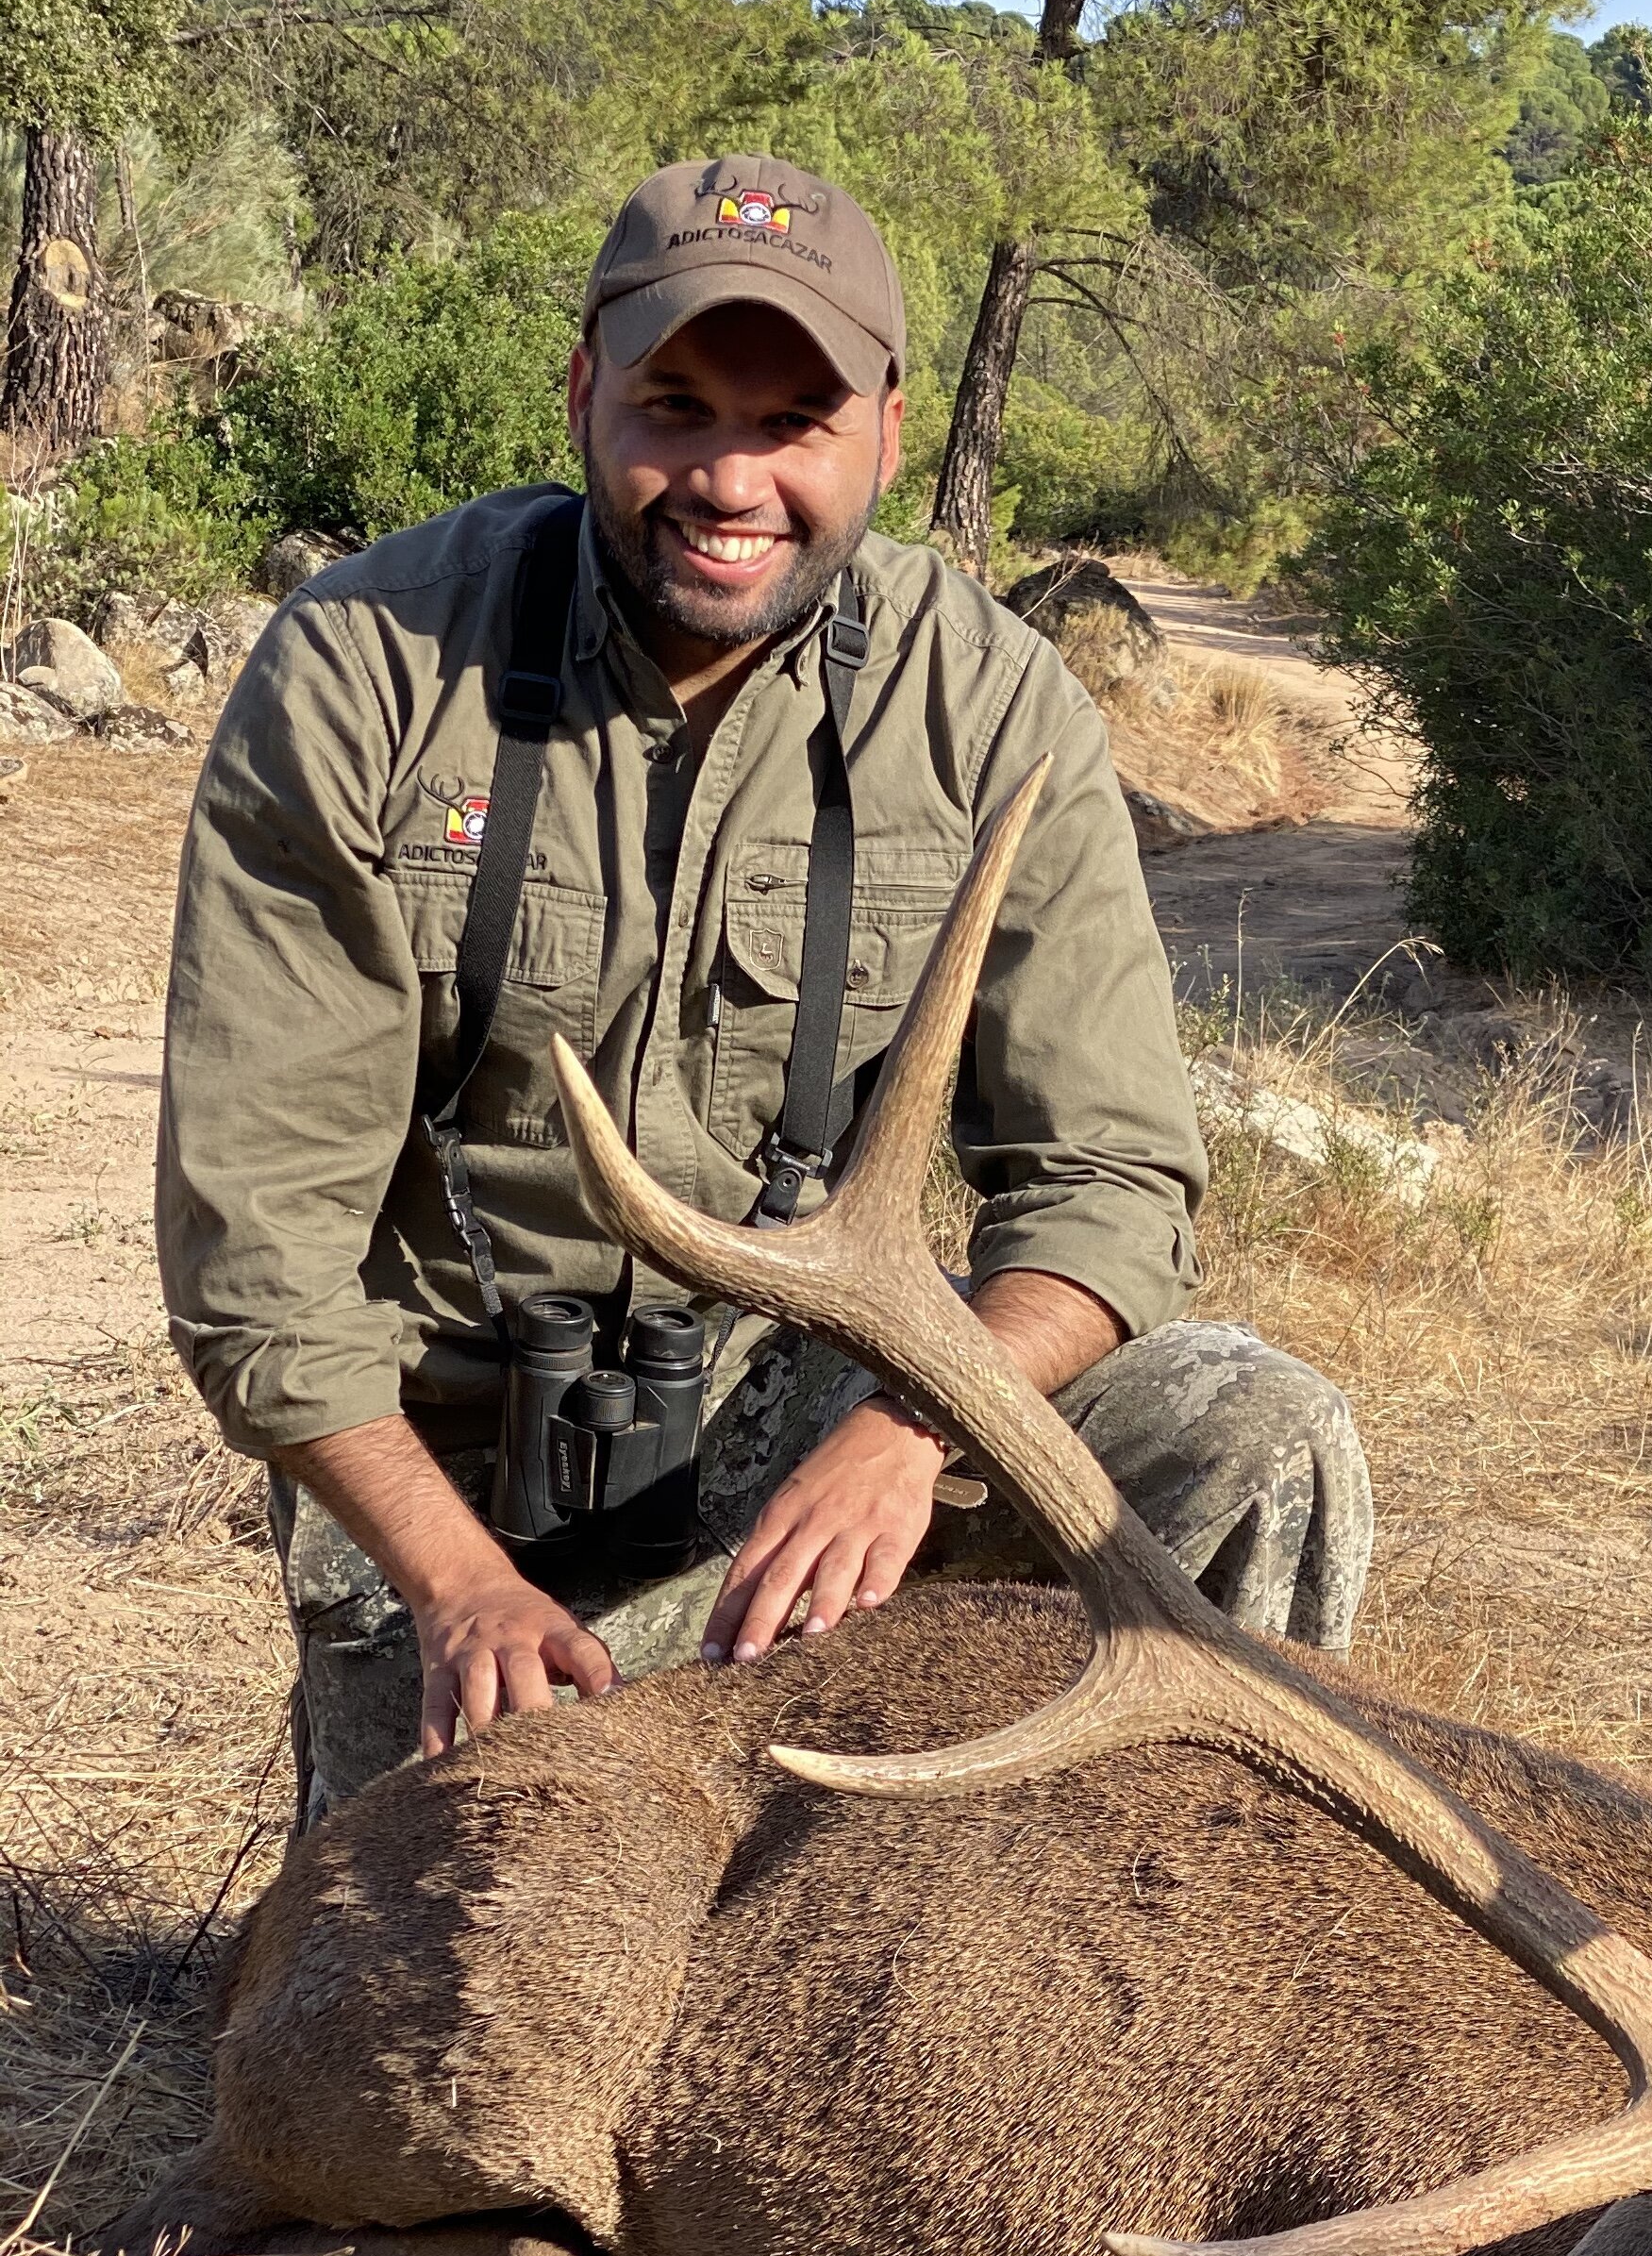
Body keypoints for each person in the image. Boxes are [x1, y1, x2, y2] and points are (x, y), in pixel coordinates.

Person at [158, 153, 1370, 1821]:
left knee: (1257, 1431)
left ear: (886, 424)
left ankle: (1132, 1973)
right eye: (676, 406)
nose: (729, 481)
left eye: (794, 420)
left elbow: (1108, 1181)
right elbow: (259, 1257)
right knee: (465, 1991)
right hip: (449, 1483)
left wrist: (909, 1431)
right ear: (586, 392)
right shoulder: (367, 673)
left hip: (805, 1431)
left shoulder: (991, 707)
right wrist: (455, 1587)